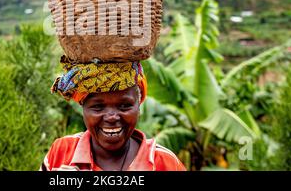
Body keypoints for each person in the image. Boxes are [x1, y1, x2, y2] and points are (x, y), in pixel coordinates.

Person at [40, 56, 186, 171]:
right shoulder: (62, 151)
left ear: (139, 104)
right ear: (83, 108)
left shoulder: (165, 162)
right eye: (98, 107)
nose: (111, 117)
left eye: (124, 106)